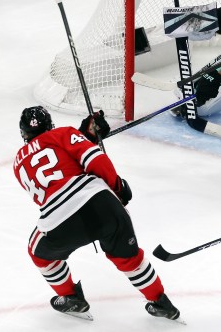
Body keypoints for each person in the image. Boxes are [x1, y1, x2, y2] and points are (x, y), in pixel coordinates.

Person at [13, 106, 180, 321]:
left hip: (61, 219)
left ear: (24, 133)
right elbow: (94, 161)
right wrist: (117, 187)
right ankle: (160, 301)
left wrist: (85, 135)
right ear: (49, 125)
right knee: (128, 258)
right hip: (103, 203)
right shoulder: (63, 133)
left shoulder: (18, 163)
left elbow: (56, 166)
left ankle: (71, 297)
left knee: (38, 252)